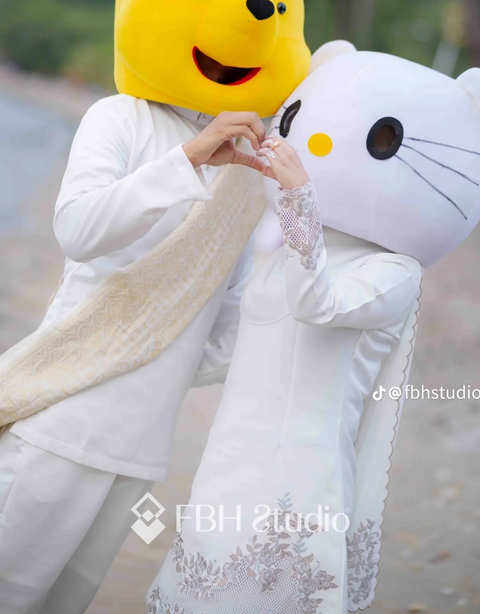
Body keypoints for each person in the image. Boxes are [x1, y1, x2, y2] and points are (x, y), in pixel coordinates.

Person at [0, 0, 311, 614]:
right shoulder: (121, 118)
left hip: (140, 450)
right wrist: (191, 159)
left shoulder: (247, 179)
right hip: (64, 413)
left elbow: (223, 324)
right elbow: (77, 228)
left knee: (63, 605)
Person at [149, 43, 480, 614]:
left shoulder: (394, 272)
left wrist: (299, 197)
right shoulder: (284, 254)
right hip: (229, 457)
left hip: (301, 475)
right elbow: (233, 350)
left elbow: (316, 305)